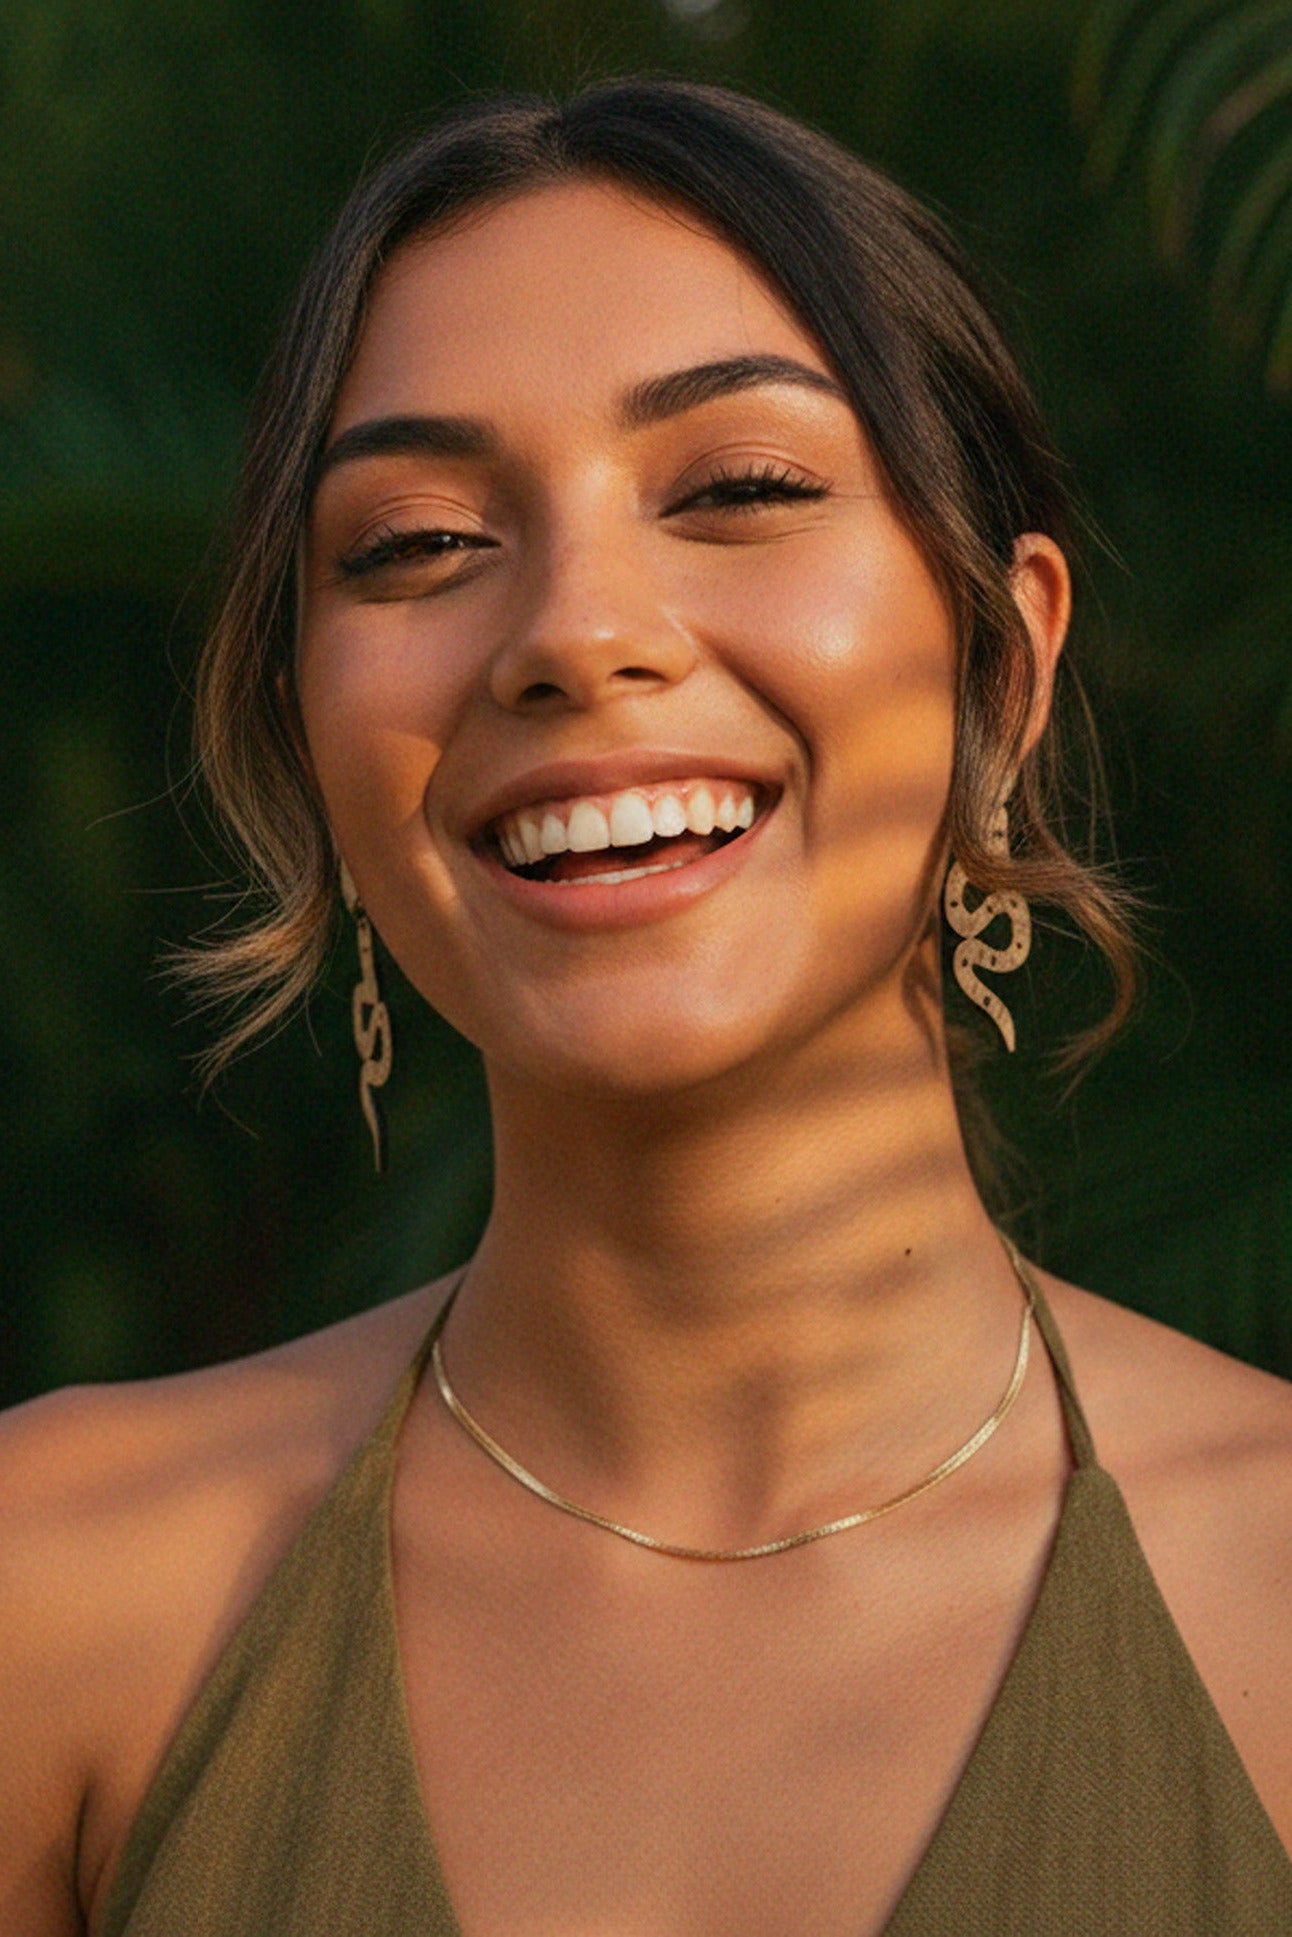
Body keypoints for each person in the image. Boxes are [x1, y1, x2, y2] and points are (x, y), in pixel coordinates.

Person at [3, 76, 1290, 1937]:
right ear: (310, 735)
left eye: (741, 490)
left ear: (1003, 667)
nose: (574, 631)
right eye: (418, 541)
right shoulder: (62, 1596)